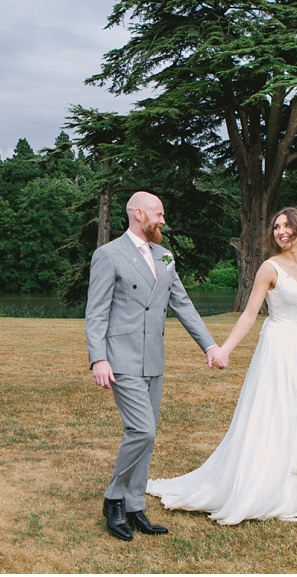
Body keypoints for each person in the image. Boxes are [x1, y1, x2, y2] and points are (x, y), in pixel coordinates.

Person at [146, 207, 297, 525]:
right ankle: (279, 493)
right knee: (278, 418)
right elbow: (248, 314)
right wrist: (223, 350)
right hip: (278, 347)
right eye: (276, 227)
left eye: (286, 226)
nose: (280, 231)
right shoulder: (269, 268)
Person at [86, 191, 229, 541]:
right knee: (142, 430)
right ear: (139, 214)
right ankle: (114, 499)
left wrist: (209, 345)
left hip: (154, 359)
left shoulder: (165, 257)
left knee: (146, 437)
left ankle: (135, 507)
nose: (163, 220)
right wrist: (98, 357)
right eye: (159, 214)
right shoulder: (108, 255)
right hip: (121, 359)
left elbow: (182, 304)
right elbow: (96, 311)